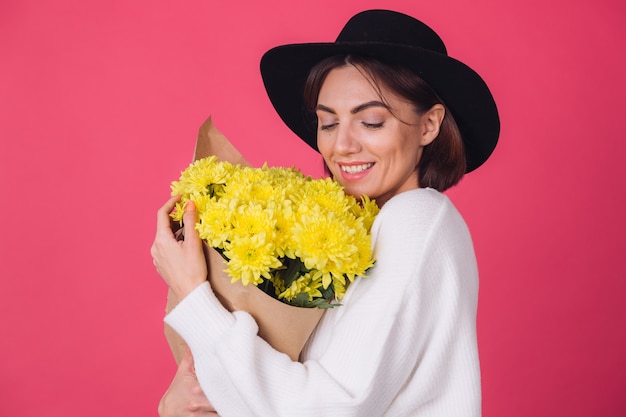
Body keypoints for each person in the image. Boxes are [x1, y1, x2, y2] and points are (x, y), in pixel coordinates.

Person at [151, 9, 500, 417]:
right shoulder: (357, 237)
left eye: (370, 121)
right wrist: (185, 398)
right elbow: (294, 390)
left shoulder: (418, 218)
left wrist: (195, 297)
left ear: (428, 126)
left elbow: (328, 407)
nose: (342, 146)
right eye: (328, 123)